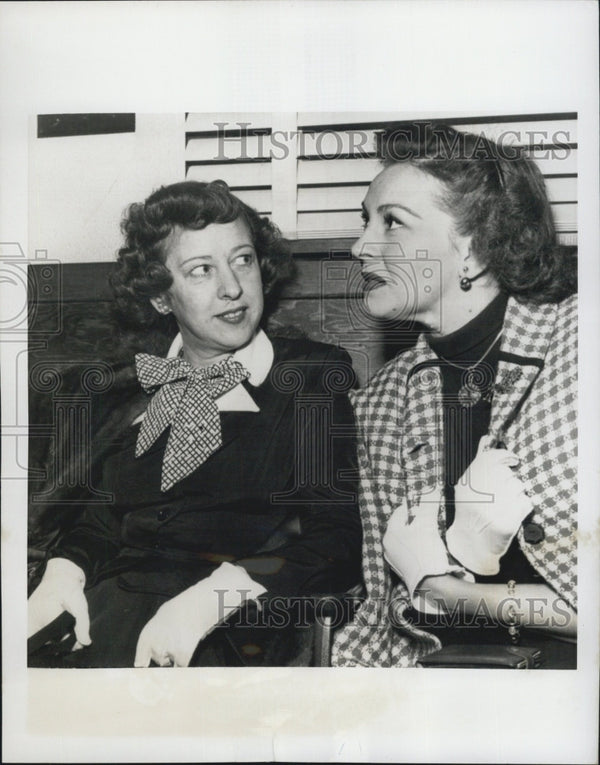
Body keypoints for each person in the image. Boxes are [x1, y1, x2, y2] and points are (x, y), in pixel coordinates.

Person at [28, 179, 361, 668]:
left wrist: (213, 600)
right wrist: (63, 574)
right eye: (201, 270)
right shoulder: (134, 389)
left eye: (243, 260)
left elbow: (336, 540)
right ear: (162, 298)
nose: (232, 287)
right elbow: (103, 525)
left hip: (228, 635)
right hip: (106, 617)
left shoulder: (308, 376)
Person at [332, 123, 577, 669]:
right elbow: (382, 615)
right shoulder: (380, 402)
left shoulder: (581, 345)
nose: (361, 246)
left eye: (392, 222)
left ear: (474, 251)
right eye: (365, 220)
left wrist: (444, 591)